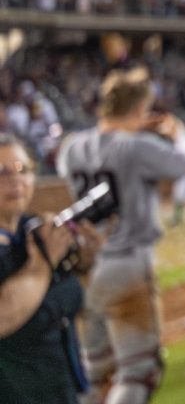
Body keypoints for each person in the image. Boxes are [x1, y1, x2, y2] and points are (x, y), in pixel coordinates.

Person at [57, 67, 185, 404]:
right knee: (138, 371)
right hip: (127, 262)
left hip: (86, 265)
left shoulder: (72, 146)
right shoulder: (137, 146)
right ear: (139, 109)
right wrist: (173, 133)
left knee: (93, 372)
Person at [0, 134, 98, 403]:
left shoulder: (33, 229)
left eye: (22, 169)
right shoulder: (39, 243)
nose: (15, 180)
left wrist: (85, 259)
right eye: (1, 172)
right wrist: (44, 262)